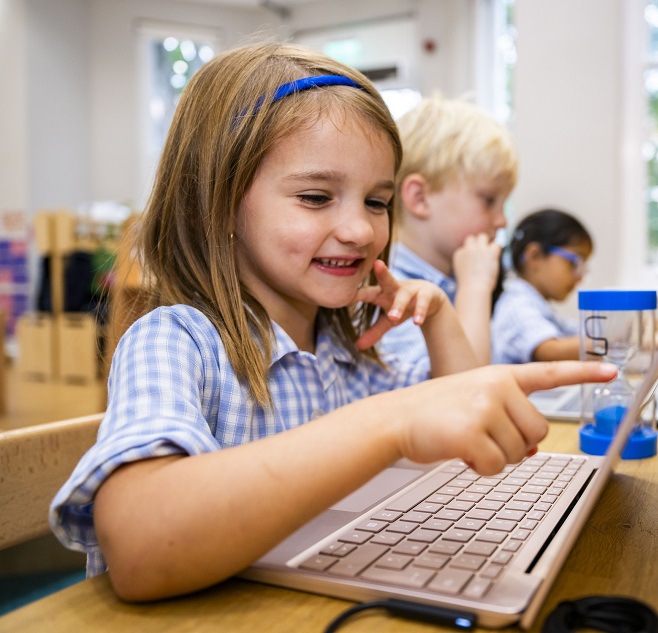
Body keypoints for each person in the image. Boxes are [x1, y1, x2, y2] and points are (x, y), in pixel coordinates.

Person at [48, 43, 615, 602]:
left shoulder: (351, 346)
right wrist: (390, 420)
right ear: (216, 205)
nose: (362, 231)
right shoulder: (176, 341)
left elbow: (456, 456)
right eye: (317, 197)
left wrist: (440, 320)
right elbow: (142, 547)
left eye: (375, 202)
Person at [379, 96, 518, 369]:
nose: (502, 221)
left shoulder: (455, 278)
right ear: (420, 198)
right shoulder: (390, 288)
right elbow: (466, 393)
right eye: (489, 200)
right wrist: (475, 287)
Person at [492, 209, 593, 364]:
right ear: (534, 256)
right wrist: (614, 343)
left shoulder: (538, 306)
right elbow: (550, 350)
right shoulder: (516, 305)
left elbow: (577, 331)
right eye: (574, 263)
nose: (579, 276)